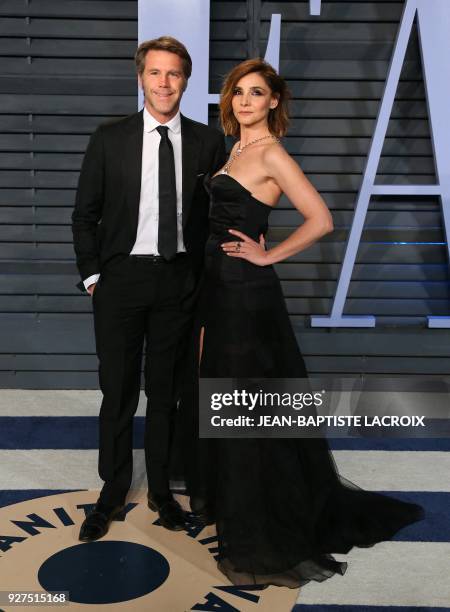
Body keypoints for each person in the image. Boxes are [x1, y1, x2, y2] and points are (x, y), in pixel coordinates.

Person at [184, 58, 425, 588]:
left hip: (247, 298)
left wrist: (268, 257)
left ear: (274, 101)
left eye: (255, 93)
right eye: (237, 93)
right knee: (228, 406)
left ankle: (261, 531)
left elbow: (321, 219)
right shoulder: (237, 150)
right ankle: (243, 506)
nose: (244, 101)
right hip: (217, 294)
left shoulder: (271, 152)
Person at [71, 36, 226, 540]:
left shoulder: (206, 142)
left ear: (186, 80)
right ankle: (111, 493)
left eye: (174, 74)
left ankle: (161, 492)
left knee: (166, 394)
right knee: (116, 391)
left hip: (177, 282)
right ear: (141, 78)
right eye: (155, 73)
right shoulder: (109, 138)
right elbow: (84, 216)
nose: (164, 83)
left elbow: (214, 219)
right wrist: (94, 277)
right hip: (119, 281)